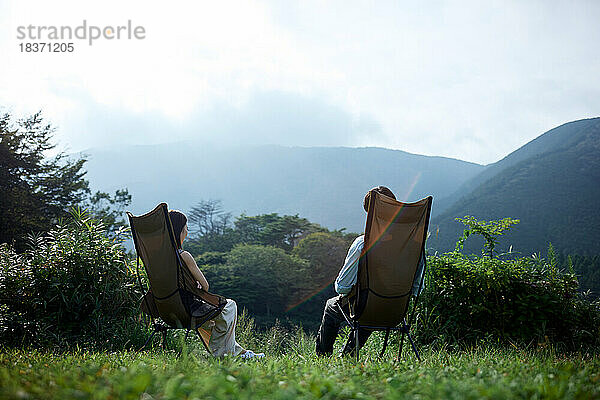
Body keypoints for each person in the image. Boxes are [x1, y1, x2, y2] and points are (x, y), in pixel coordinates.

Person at [315, 186, 425, 356]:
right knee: (370, 304)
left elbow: (342, 287)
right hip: (396, 312)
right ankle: (348, 355)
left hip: (366, 308)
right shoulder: (415, 246)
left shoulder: (363, 244)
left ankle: (323, 357)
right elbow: (418, 289)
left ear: (370, 213)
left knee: (334, 306)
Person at [168, 210, 264, 359]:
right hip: (188, 310)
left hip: (165, 309)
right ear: (179, 230)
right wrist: (197, 286)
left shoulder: (157, 260)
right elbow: (205, 286)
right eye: (186, 227)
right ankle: (221, 356)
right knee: (230, 306)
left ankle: (242, 353)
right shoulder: (183, 255)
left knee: (215, 324)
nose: (187, 231)